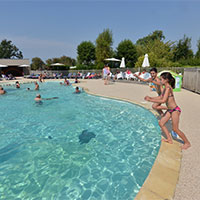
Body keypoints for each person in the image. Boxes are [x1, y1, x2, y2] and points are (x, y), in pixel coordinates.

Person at [145, 72, 191, 150]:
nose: (160, 80)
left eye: (161, 79)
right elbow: (160, 97)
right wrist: (150, 98)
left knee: (175, 129)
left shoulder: (168, 88)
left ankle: (187, 143)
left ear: (166, 80)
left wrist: (150, 100)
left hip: (175, 110)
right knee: (161, 123)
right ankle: (169, 139)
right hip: (170, 110)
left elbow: (163, 100)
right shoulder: (165, 87)